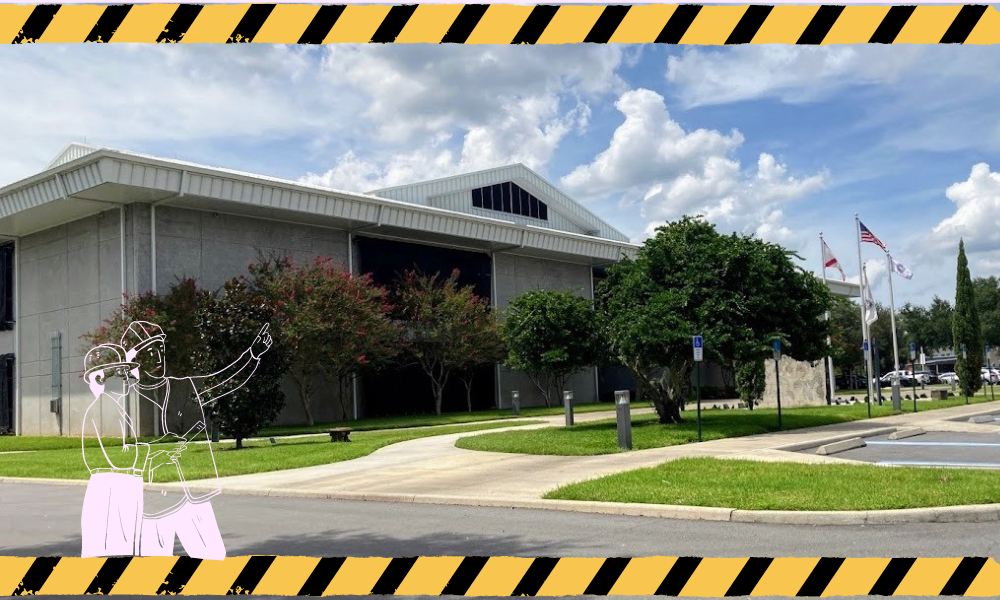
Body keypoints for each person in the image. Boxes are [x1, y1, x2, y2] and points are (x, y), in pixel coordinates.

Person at [121, 320, 272, 560]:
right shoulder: (122, 401)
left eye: (160, 348)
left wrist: (252, 354)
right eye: (150, 350)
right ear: (133, 360)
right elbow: (120, 456)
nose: (159, 356)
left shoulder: (182, 386)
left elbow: (223, 379)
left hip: (193, 497)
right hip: (153, 499)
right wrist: (154, 454)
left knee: (211, 556)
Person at [80, 343, 184, 557]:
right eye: (121, 373)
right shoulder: (103, 411)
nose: (129, 377)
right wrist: (156, 456)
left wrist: (154, 453)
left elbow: (129, 454)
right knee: (113, 548)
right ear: (99, 378)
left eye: (127, 372)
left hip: (120, 484)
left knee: (121, 546)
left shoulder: (115, 407)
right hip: (112, 488)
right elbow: (122, 460)